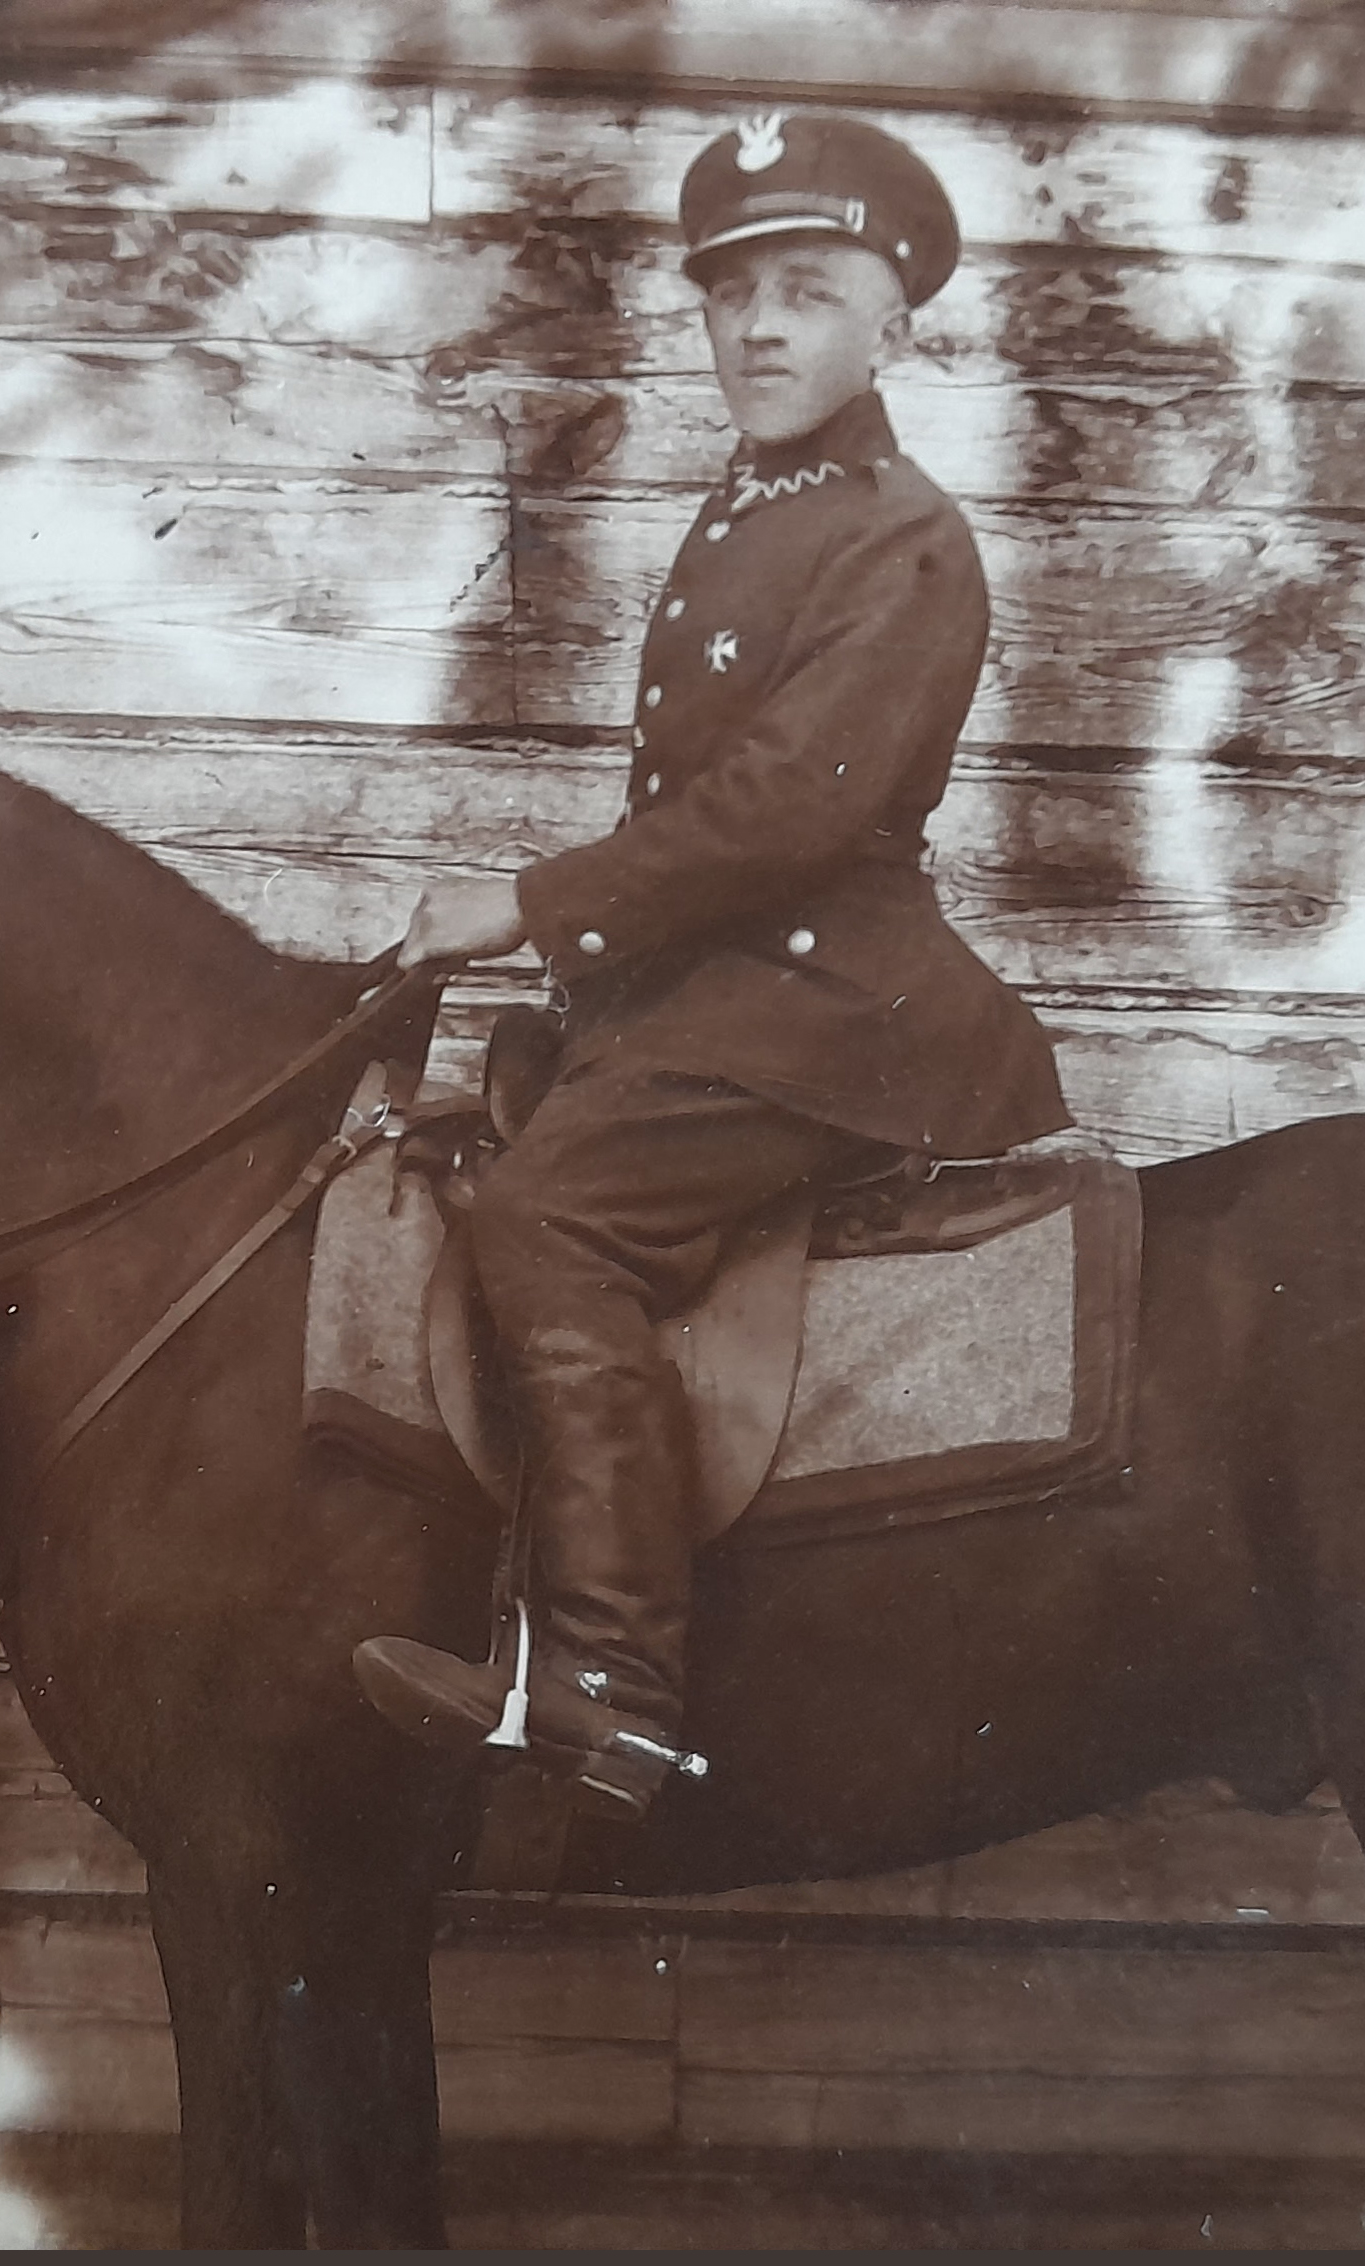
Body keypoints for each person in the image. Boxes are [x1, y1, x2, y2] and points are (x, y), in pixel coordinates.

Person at [351, 113, 1071, 1822]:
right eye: (731, 295)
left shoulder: (903, 534)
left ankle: (616, 1688)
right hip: (719, 996)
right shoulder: (758, 505)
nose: (758, 328)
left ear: (893, 325)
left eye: (807, 293)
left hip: (832, 1010)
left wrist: (525, 903)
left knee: (548, 1219)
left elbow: (786, 813)